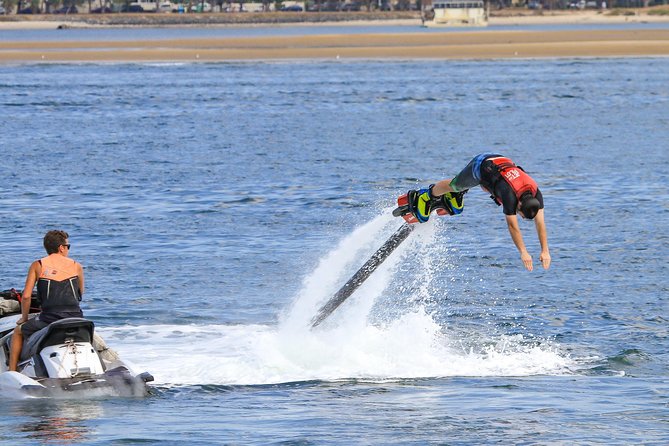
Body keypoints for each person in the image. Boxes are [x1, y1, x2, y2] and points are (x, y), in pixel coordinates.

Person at [406, 153, 551, 271]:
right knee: (456, 185)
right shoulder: (510, 196)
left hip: (498, 164)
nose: (518, 215)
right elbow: (513, 227)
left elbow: (540, 223)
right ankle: (426, 196)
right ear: (519, 205)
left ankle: (451, 196)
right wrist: (524, 252)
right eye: (520, 214)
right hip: (481, 165)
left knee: (456, 208)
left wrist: (545, 251)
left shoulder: (536, 194)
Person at [9, 230, 85, 371]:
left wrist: (24, 318)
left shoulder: (38, 265)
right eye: (68, 246)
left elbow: (26, 296)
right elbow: (80, 293)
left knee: (18, 332)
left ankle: (12, 371)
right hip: (76, 316)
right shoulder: (76, 266)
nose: (68, 249)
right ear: (61, 247)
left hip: (49, 318)